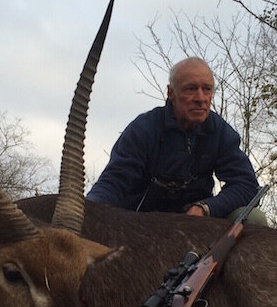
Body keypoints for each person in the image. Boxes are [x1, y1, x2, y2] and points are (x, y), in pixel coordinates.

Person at [87, 57, 266, 224]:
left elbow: (247, 185)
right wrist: (88, 210)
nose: (201, 98)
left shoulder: (219, 132)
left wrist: (206, 208)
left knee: (254, 218)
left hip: (196, 224)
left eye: (207, 89)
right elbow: (114, 182)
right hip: (140, 224)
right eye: (191, 89)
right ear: (171, 92)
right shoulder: (143, 129)